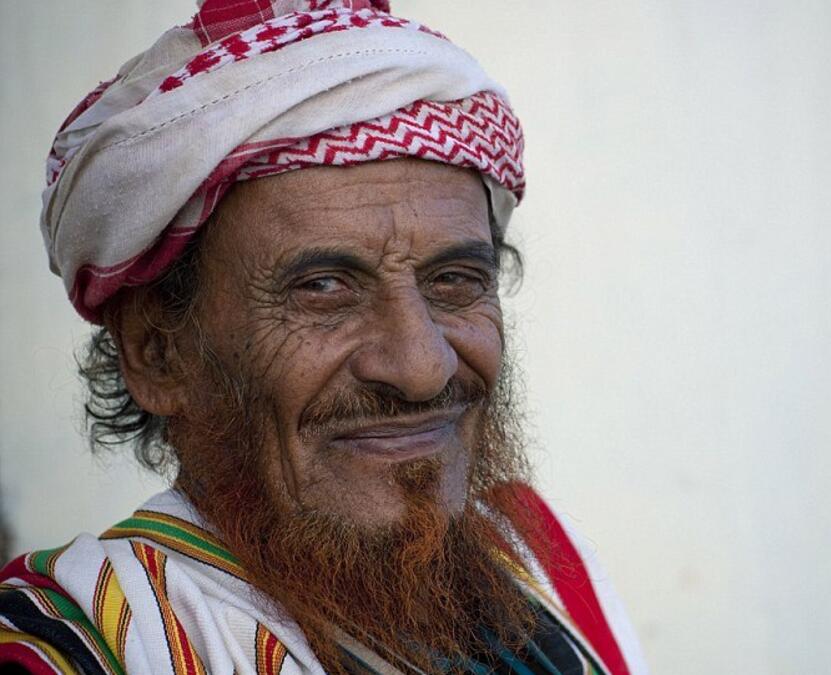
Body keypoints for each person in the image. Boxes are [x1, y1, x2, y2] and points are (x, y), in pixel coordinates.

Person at [0, 2, 646, 673]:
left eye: (455, 279)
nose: (422, 366)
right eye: (325, 288)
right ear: (158, 352)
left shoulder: (543, 564)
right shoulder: (86, 644)